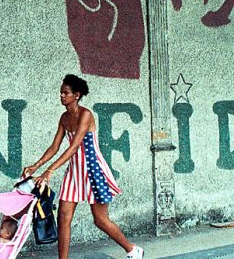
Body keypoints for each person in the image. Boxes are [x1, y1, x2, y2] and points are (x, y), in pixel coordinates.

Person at [22, 74, 144, 259]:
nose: (61, 96)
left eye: (65, 93)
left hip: (94, 170)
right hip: (75, 172)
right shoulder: (64, 117)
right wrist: (36, 166)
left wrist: (49, 171)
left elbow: (74, 146)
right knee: (63, 218)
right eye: (61, 93)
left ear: (76, 95)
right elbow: (55, 147)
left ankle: (132, 250)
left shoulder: (85, 115)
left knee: (100, 220)